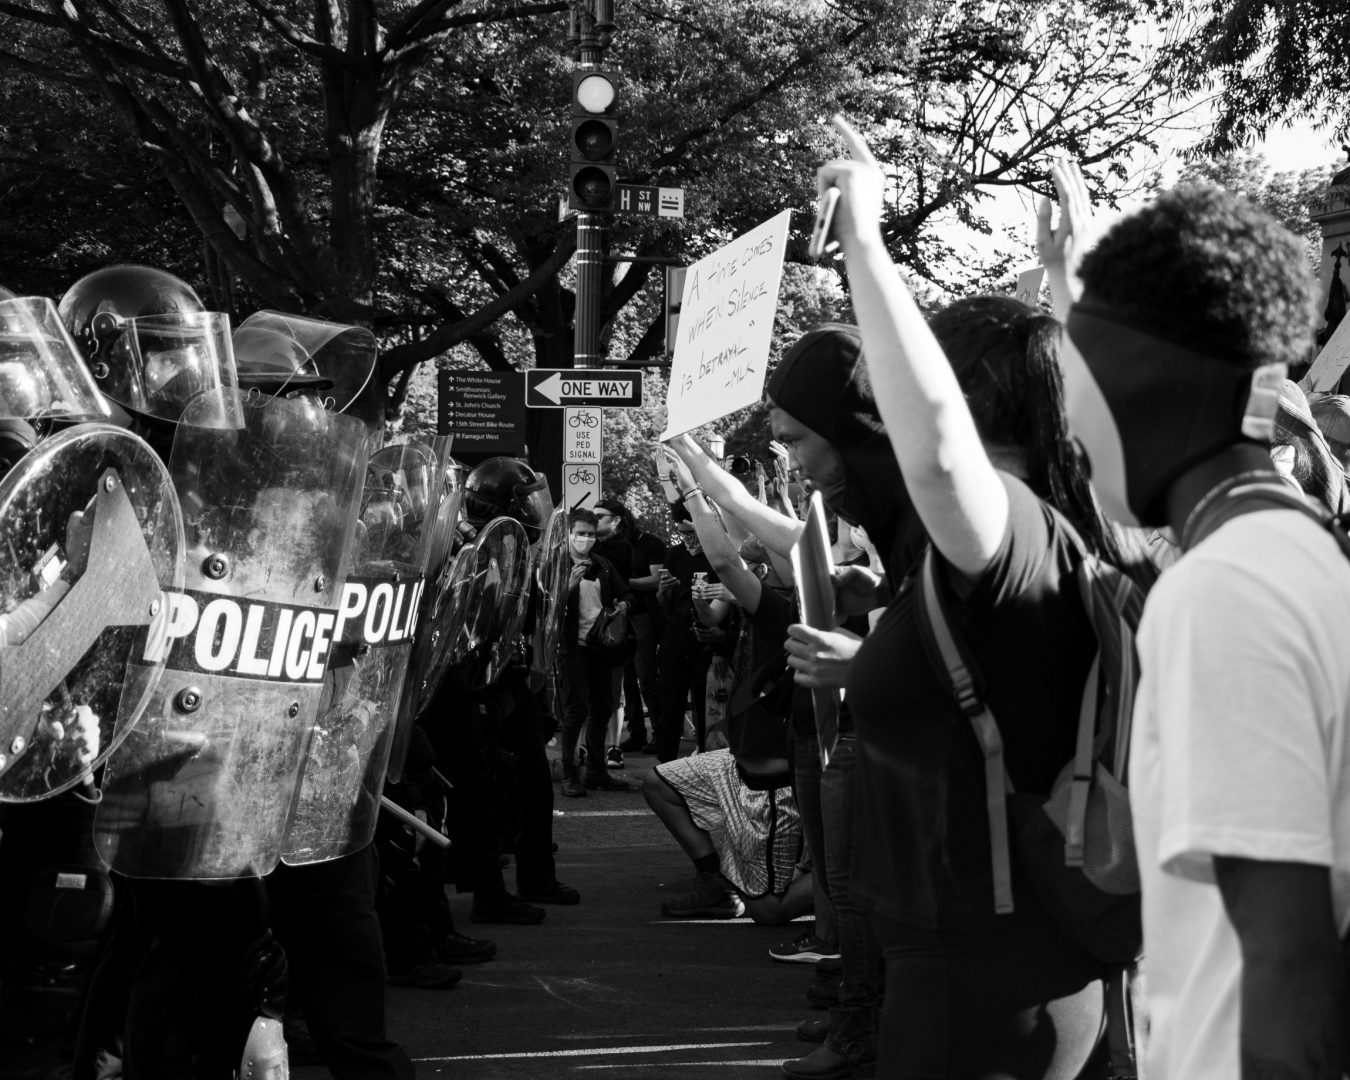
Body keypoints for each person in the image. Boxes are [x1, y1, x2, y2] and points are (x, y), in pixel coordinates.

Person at [813, 117, 1133, 1079]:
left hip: (986, 992)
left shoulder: (1016, 535)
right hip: (998, 974)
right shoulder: (1068, 534)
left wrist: (867, 247)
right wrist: (1073, 299)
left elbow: (945, 458)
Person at [1042, 162, 1349, 1079]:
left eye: (1074, 392)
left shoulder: (1224, 592)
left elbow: (1289, 957)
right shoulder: (1293, 556)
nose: (1071, 434)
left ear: (1142, 389)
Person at [642, 448, 809, 926]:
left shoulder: (792, 610)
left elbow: (726, 556)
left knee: (767, 911)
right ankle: (714, 880)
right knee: (659, 782)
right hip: (736, 762)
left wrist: (694, 490)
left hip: (774, 786)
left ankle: (852, 879)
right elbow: (740, 539)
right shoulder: (781, 598)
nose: (763, 548)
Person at [556, 508, 634, 797]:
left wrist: (624, 605)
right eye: (580, 534)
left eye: (590, 534)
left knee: (602, 708)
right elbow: (545, 604)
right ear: (568, 534)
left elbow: (626, 593)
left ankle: (597, 771)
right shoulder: (557, 564)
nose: (585, 539)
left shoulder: (601, 564)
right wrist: (569, 585)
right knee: (576, 710)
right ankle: (569, 773)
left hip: (602, 646)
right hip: (572, 647)